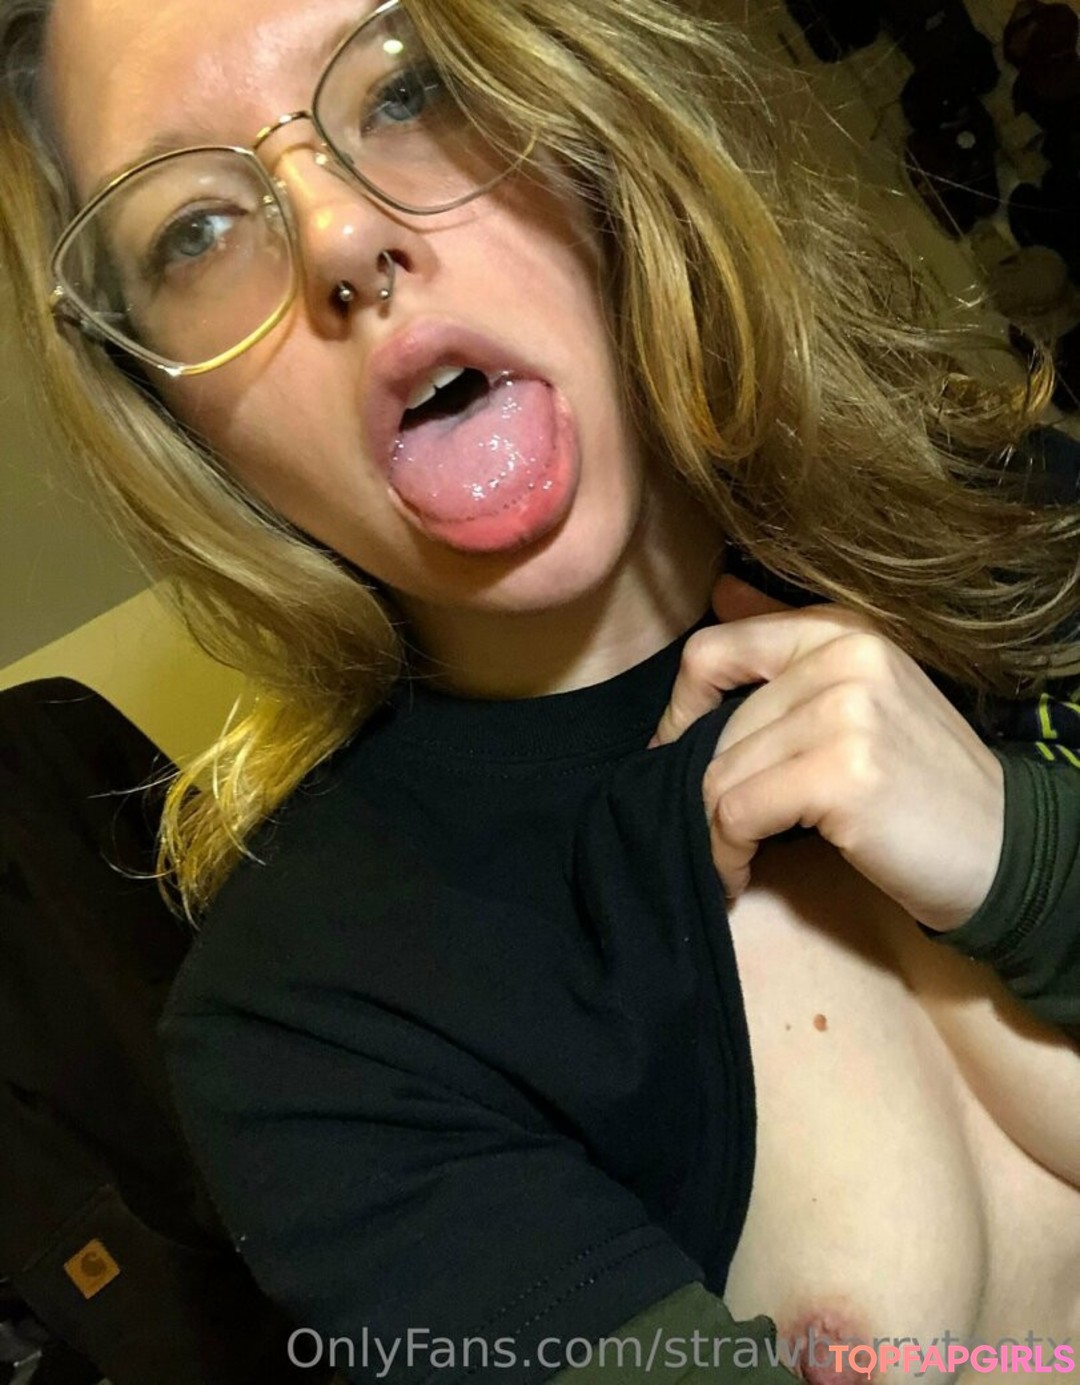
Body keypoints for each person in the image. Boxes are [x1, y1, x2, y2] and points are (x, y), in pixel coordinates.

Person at [2, 0, 1079, 1381]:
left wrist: (1031, 862)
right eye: (196, 230)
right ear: (172, 411)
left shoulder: (1025, 526)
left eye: (407, 88)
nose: (339, 237)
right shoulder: (318, 1030)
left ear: (587, 108)